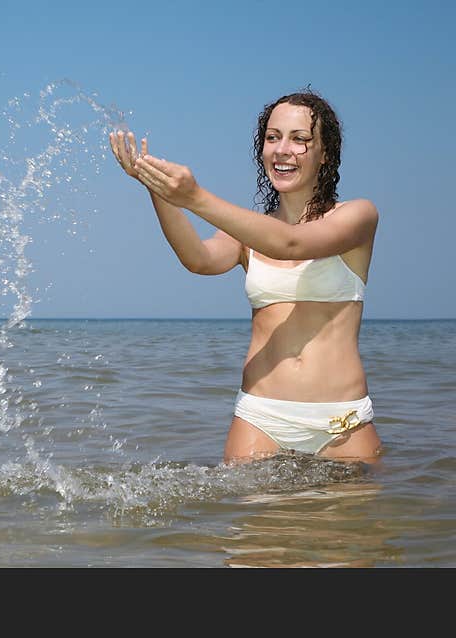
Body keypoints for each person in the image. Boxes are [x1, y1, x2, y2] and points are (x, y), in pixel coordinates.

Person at [109, 90, 381, 463]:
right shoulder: (248, 234)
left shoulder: (357, 216)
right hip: (261, 418)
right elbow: (199, 259)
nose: (282, 149)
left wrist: (195, 197)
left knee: (349, 523)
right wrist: (158, 187)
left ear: (326, 154)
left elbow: (291, 243)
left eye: (300, 139)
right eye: (273, 137)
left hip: (341, 422)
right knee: (250, 521)